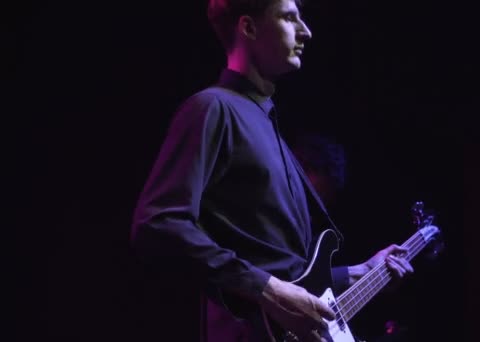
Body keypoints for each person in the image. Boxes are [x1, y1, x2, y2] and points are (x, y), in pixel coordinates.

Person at [130, 1, 414, 341]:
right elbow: (157, 224)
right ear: (248, 28)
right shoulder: (212, 108)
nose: (306, 31)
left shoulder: (269, 125)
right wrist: (265, 289)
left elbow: (287, 272)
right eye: (290, 17)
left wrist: (360, 272)